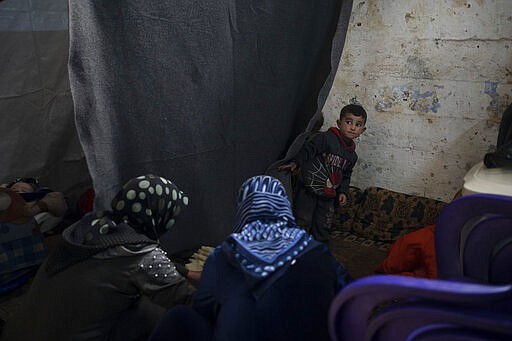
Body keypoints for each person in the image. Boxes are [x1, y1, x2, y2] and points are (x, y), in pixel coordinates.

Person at [150, 175, 352, 341]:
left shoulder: (226, 253)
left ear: (243, 209)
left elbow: (204, 306)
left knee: (179, 317)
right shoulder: (316, 250)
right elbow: (349, 295)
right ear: (284, 205)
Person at [1, 175, 198, 341]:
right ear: (159, 214)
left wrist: (183, 271)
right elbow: (186, 299)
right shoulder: (138, 253)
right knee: (157, 312)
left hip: (19, 332)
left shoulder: (92, 226)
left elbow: (128, 267)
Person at [279, 104, 367, 244]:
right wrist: (296, 162)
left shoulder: (352, 156)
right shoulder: (325, 139)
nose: (352, 127)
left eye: (358, 124)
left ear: (362, 130)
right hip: (309, 189)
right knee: (303, 220)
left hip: (328, 196)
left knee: (323, 225)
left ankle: (318, 253)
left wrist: (343, 191)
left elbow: (346, 175)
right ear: (339, 123)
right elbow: (308, 150)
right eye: (348, 122)